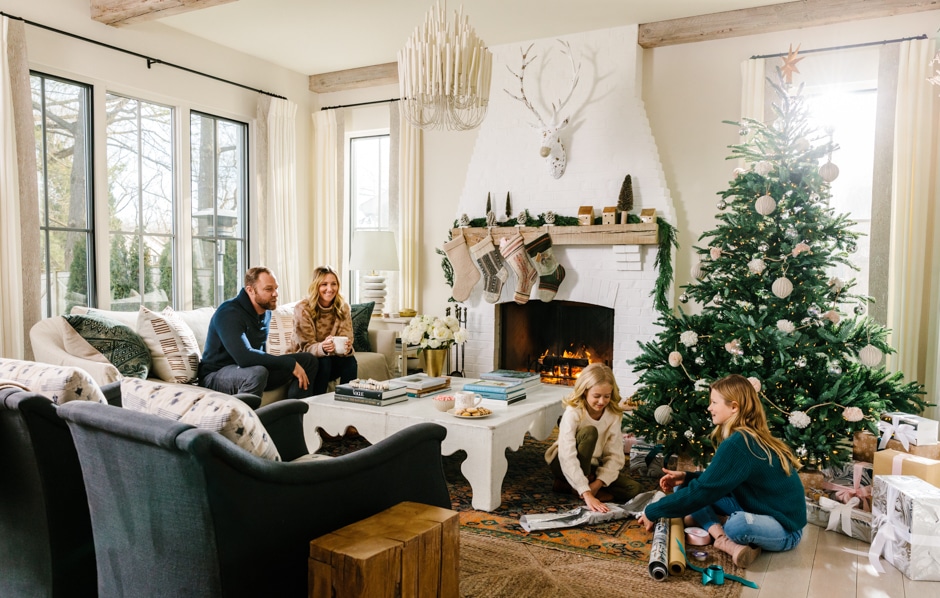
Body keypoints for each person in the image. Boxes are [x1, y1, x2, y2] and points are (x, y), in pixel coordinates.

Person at [637, 374, 806, 568]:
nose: (709, 408)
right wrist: (687, 476)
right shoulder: (743, 437)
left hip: (785, 528)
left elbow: (704, 491)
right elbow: (720, 480)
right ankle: (721, 537)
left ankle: (717, 529)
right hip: (756, 507)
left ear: (734, 407)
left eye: (714, 402)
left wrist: (652, 511)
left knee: (736, 525)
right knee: (685, 488)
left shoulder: (740, 443)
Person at [198, 266, 318, 400]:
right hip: (216, 376)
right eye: (268, 289)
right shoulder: (229, 313)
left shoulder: (265, 312)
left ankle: (294, 413)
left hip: (251, 371)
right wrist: (289, 364)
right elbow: (245, 357)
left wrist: (291, 363)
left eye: (276, 288)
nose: (275, 294)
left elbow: (259, 354)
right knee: (258, 372)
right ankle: (248, 420)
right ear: (250, 290)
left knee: (308, 360)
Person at [544, 363, 642, 513]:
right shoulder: (574, 411)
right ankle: (579, 487)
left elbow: (615, 455)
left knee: (635, 489)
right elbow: (567, 454)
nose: (602, 402)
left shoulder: (613, 415)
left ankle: (568, 487)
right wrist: (587, 493)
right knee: (590, 432)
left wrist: (598, 483)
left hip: (592, 467)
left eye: (607, 396)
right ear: (585, 392)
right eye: (596, 396)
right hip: (562, 462)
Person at [291, 266, 359, 395]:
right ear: (316, 286)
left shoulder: (343, 307)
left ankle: (349, 400)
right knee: (324, 361)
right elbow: (305, 346)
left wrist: (347, 348)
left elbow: (347, 336)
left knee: (350, 362)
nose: (330, 289)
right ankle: (319, 402)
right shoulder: (303, 308)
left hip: (332, 357)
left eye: (334, 284)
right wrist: (322, 348)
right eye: (324, 284)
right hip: (305, 360)